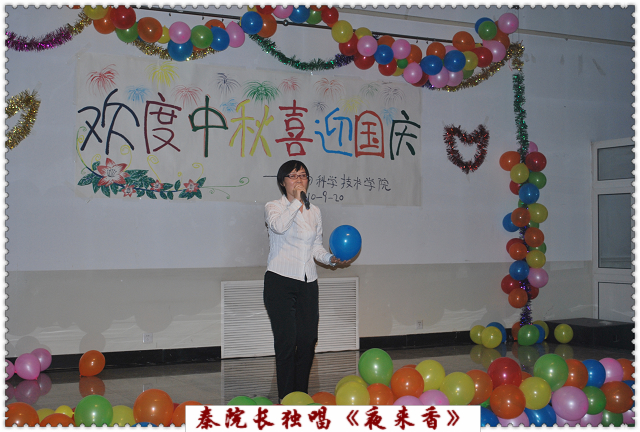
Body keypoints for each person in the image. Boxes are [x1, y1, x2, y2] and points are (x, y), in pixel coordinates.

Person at [264, 159, 344, 402]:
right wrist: (297, 202)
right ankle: (287, 400)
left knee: (308, 341)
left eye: (303, 175)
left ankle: (300, 396)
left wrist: (330, 258)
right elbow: (278, 227)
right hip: (280, 281)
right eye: (293, 175)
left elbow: (316, 247)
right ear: (282, 182)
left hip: (308, 282)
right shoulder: (273, 207)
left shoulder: (315, 211)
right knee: (286, 343)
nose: (299, 180)